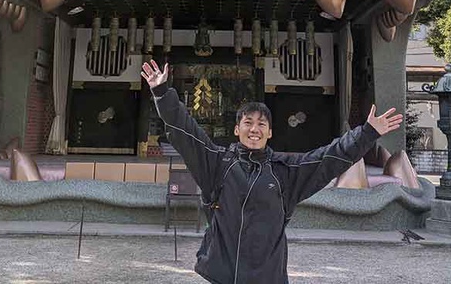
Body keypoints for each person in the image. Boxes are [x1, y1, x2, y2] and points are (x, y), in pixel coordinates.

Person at [141, 60, 403, 284]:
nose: (254, 129)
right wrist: (162, 93)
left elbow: (329, 158)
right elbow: (187, 133)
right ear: (237, 130)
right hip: (223, 274)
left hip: (268, 275)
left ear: (269, 132)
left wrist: (367, 133)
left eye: (261, 124)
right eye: (248, 123)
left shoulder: (285, 171)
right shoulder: (217, 164)